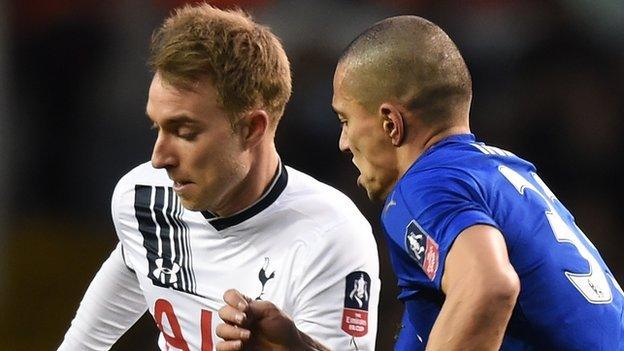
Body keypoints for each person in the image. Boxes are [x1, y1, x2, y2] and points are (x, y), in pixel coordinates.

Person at [218, 15, 624, 350]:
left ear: (390, 123)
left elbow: (489, 286)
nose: (343, 143)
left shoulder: (424, 185)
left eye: (345, 120)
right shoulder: (503, 175)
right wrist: (294, 344)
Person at [57, 3, 380, 351]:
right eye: (157, 127)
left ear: (251, 128)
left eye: (184, 132)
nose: (159, 157)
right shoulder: (142, 199)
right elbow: (86, 339)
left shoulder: (331, 234)